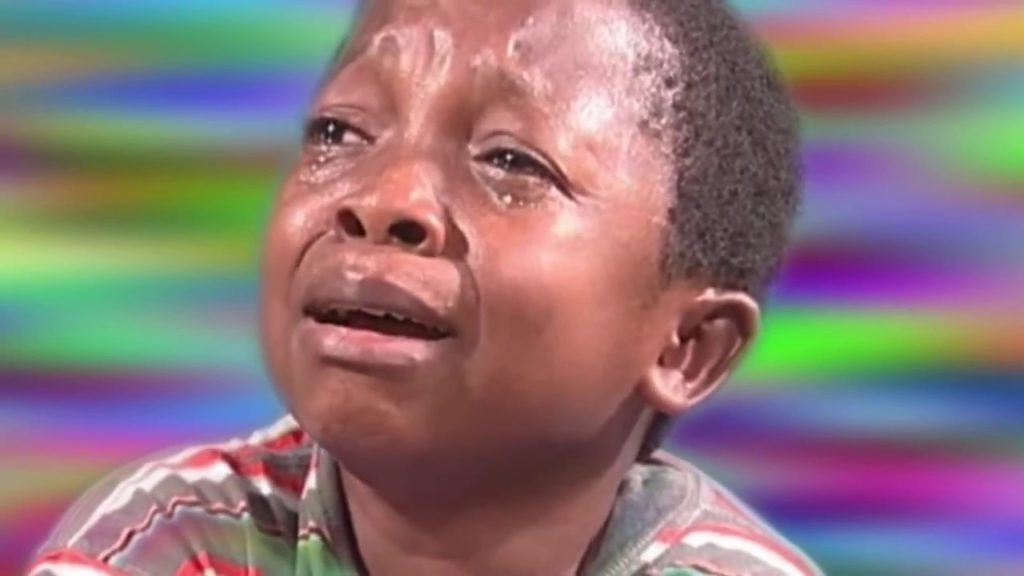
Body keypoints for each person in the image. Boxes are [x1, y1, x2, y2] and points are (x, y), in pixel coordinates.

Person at [29, 0, 821, 574]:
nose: (384, 199)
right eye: (341, 132)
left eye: (511, 160)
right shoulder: (171, 544)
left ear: (688, 346)